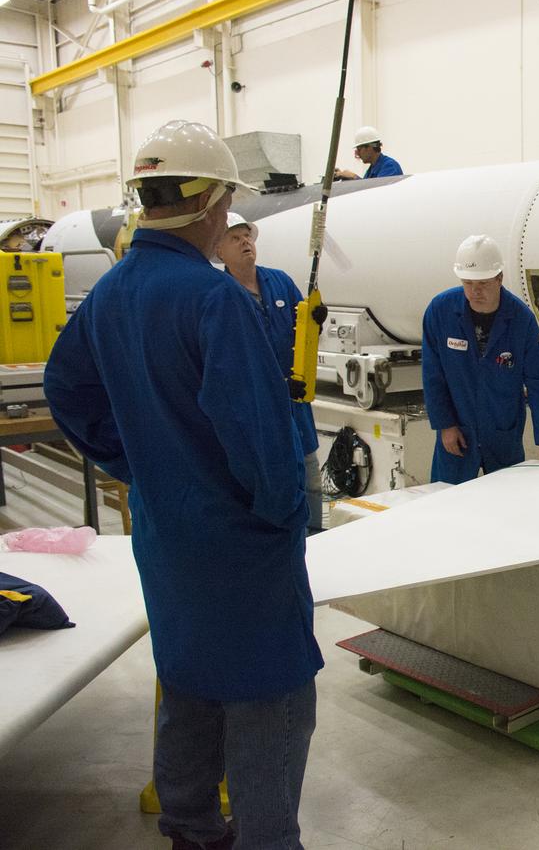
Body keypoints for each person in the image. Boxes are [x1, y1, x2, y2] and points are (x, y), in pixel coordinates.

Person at [44, 120, 322, 850]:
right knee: (274, 701)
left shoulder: (111, 293)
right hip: (242, 549)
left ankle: (193, 829)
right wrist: (282, 514)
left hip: (167, 536)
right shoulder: (215, 299)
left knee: (189, 683)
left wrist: (137, 464)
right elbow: (262, 446)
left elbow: (66, 390)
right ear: (213, 205)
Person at [216, 212, 323, 533]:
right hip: (254, 412)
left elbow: (303, 334)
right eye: (235, 238)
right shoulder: (218, 292)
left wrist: (315, 318)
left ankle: (315, 540)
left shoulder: (279, 281)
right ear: (219, 250)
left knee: (310, 478)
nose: (245, 242)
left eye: (247, 235)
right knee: (269, 484)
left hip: (295, 402)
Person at [421, 234, 539, 483]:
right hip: (457, 434)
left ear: (499, 278)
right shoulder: (440, 312)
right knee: (448, 505)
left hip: (502, 433)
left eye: (483, 283)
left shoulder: (521, 320)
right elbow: (433, 374)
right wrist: (445, 425)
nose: (475, 291)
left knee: (505, 504)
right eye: (468, 283)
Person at [334, 125, 402, 180]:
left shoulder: (390, 167)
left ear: (369, 148)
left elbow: (376, 192)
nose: (357, 153)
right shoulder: (372, 169)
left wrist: (354, 177)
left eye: (359, 149)